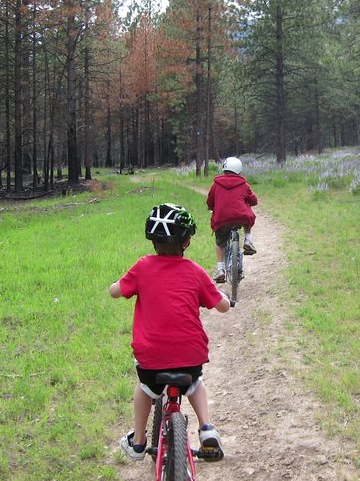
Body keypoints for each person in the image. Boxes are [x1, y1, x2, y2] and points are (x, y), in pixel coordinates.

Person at [110, 203, 230, 461]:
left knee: (145, 388)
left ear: (152, 240)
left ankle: (139, 442)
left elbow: (115, 291)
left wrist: (117, 287)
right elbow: (222, 307)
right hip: (190, 355)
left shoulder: (142, 267)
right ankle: (206, 427)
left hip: (151, 358)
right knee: (195, 383)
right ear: (186, 242)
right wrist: (225, 298)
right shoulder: (195, 272)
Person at [206, 156, 258, 283]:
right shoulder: (244, 184)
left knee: (219, 243)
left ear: (224, 169)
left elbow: (210, 202)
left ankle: (220, 270)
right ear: (239, 170)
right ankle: (248, 240)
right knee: (248, 215)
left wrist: (213, 207)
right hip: (241, 217)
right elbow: (254, 201)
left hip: (222, 220)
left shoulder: (215, 184)